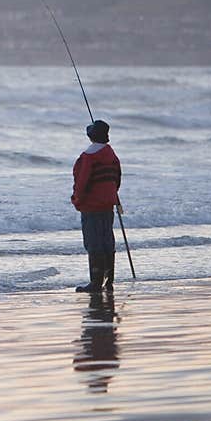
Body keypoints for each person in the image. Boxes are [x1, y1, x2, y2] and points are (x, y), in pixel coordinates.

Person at [71, 119, 121, 293]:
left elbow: (81, 183)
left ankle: (95, 282)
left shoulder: (87, 157)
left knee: (93, 243)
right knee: (107, 240)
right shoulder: (111, 155)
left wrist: (77, 200)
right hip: (108, 204)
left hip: (91, 206)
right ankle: (108, 280)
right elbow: (117, 179)